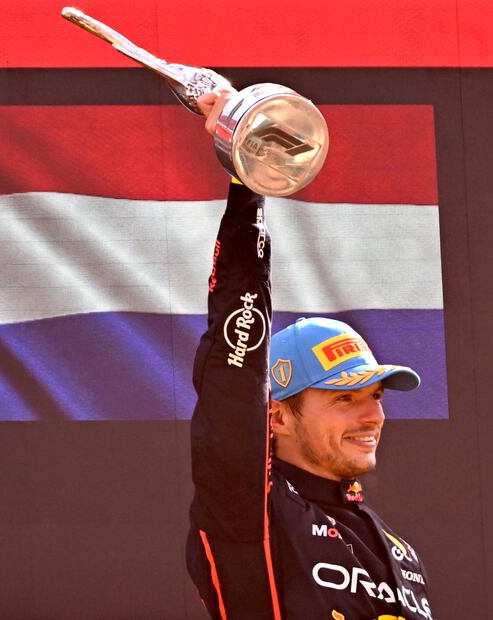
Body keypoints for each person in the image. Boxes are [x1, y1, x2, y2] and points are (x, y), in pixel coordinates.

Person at [186, 89, 435, 620]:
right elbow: (233, 374)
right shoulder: (250, 510)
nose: (371, 415)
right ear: (276, 416)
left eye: (374, 396)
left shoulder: (401, 553)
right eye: (344, 398)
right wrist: (247, 179)